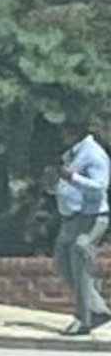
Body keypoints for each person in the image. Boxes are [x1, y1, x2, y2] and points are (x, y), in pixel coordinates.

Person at [44, 119, 110, 336]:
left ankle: (83, 319)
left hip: (91, 217)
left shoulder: (93, 154)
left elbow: (100, 187)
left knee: (79, 256)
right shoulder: (71, 154)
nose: (62, 134)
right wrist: (53, 184)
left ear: (76, 132)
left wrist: (72, 177)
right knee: (62, 262)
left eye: (66, 129)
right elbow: (63, 186)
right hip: (71, 218)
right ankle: (98, 309)